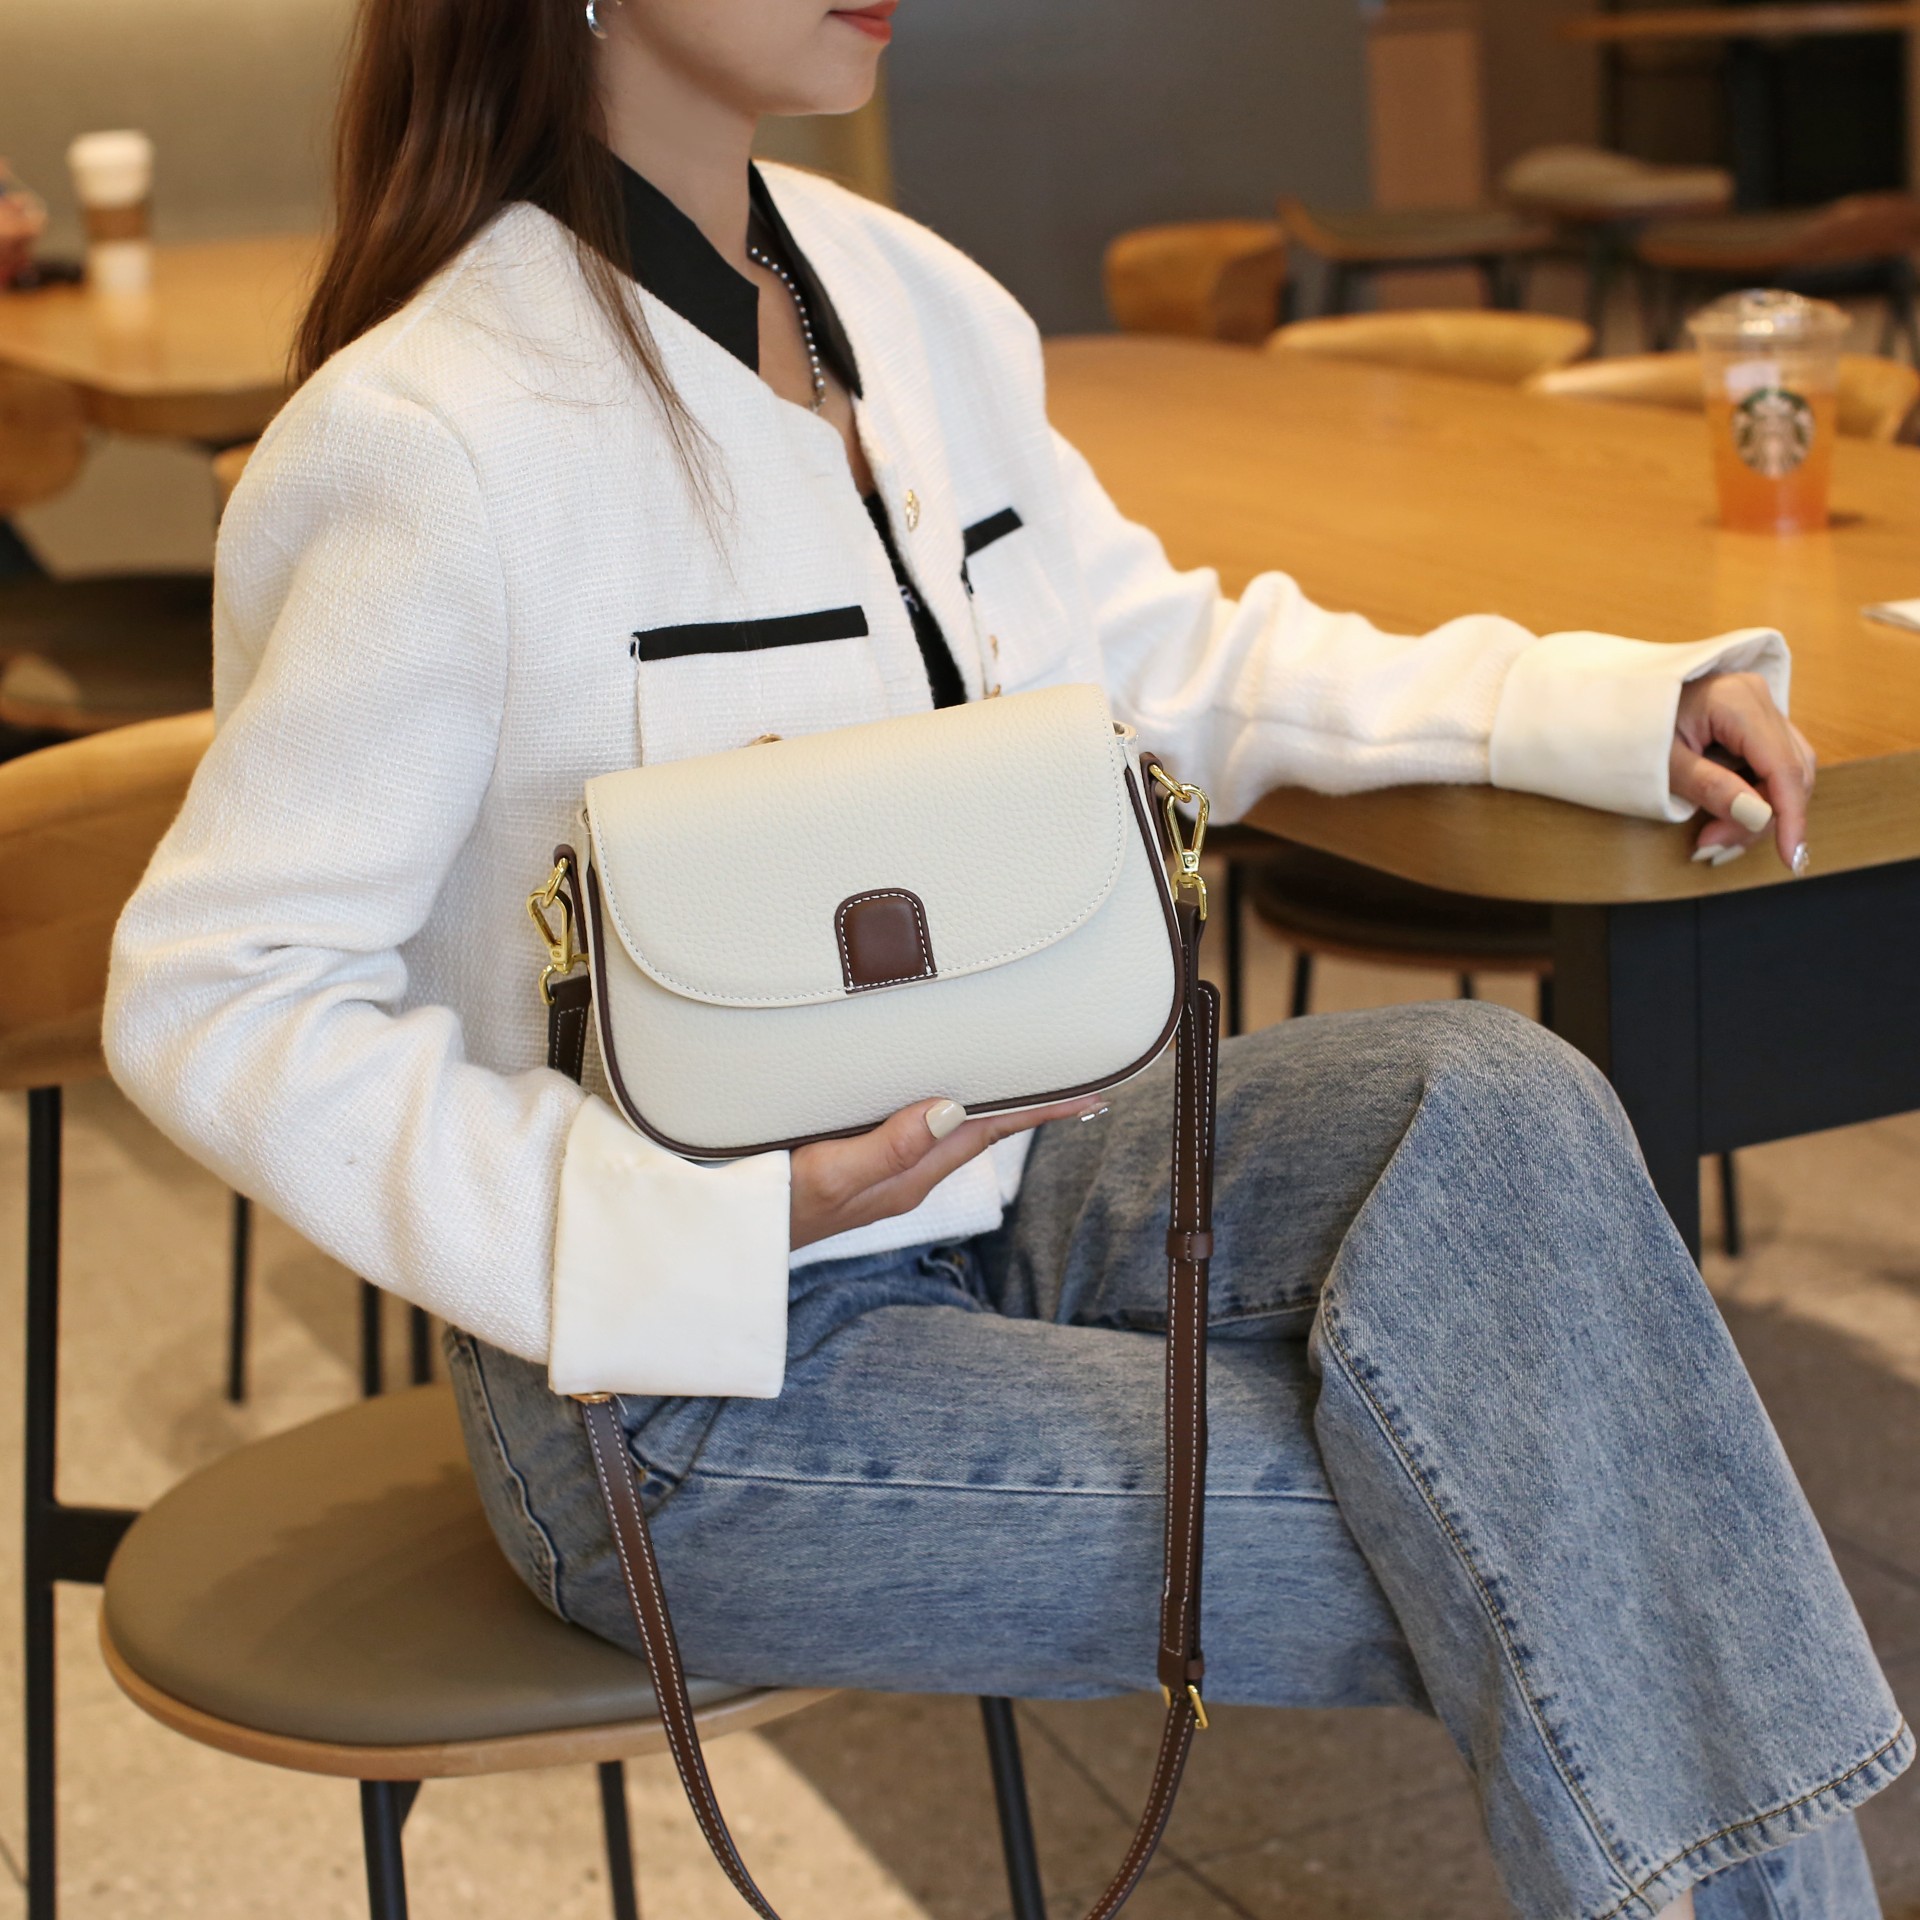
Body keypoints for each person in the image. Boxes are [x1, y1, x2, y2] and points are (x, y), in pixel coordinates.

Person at [103, 3, 1907, 1914]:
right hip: (685, 1382)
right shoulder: (431, 432)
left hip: (1019, 1163)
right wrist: (692, 1225)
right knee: (1582, 1502)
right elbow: (222, 988)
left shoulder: (914, 299)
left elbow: (1153, 660)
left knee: (1495, 1099)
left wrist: (1597, 710)